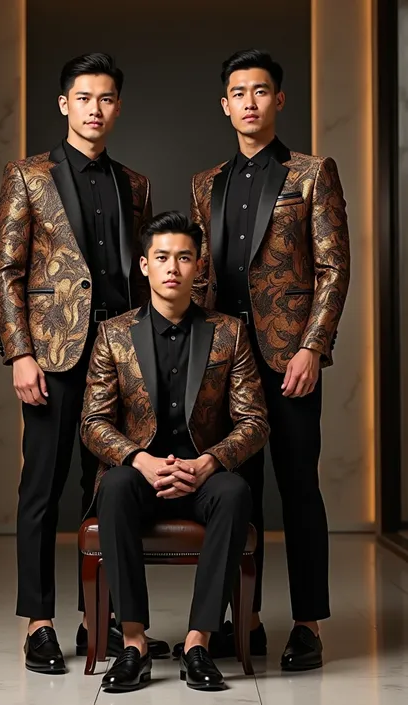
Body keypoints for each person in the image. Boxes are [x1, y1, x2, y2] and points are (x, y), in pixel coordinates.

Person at [0, 52, 169, 674]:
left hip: (120, 359)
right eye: (85, 98)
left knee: (109, 490)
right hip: (52, 355)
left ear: (118, 107)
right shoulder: (28, 176)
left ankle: (113, 619)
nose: (96, 110)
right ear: (65, 104)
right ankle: (39, 622)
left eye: (108, 100)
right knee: (41, 488)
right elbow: (8, 271)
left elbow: (144, 275)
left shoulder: (136, 184)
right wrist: (19, 352)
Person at [180, 49, 350, 671]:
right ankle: (241, 620)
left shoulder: (311, 172)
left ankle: (306, 624)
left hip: (289, 361)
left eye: (260, 90)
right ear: (224, 105)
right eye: (237, 92)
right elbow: (200, 281)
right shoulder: (206, 184)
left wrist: (312, 345)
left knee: (299, 488)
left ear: (279, 100)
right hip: (225, 365)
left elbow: (334, 267)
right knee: (235, 491)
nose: (249, 101)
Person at [80, 211, 269, 692]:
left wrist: (208, 463)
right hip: (142, 475)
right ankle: (135, 643)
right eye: (162, 257)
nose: (173, 267)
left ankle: (197, 641)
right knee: (116, 485)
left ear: (198, 266)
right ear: (144, 265)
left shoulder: (228, 332)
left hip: (203, 475)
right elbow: (92, 422)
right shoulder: (113, 334)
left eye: (184, 257)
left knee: (235, 492)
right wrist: (139, 459)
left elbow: (254, 421)